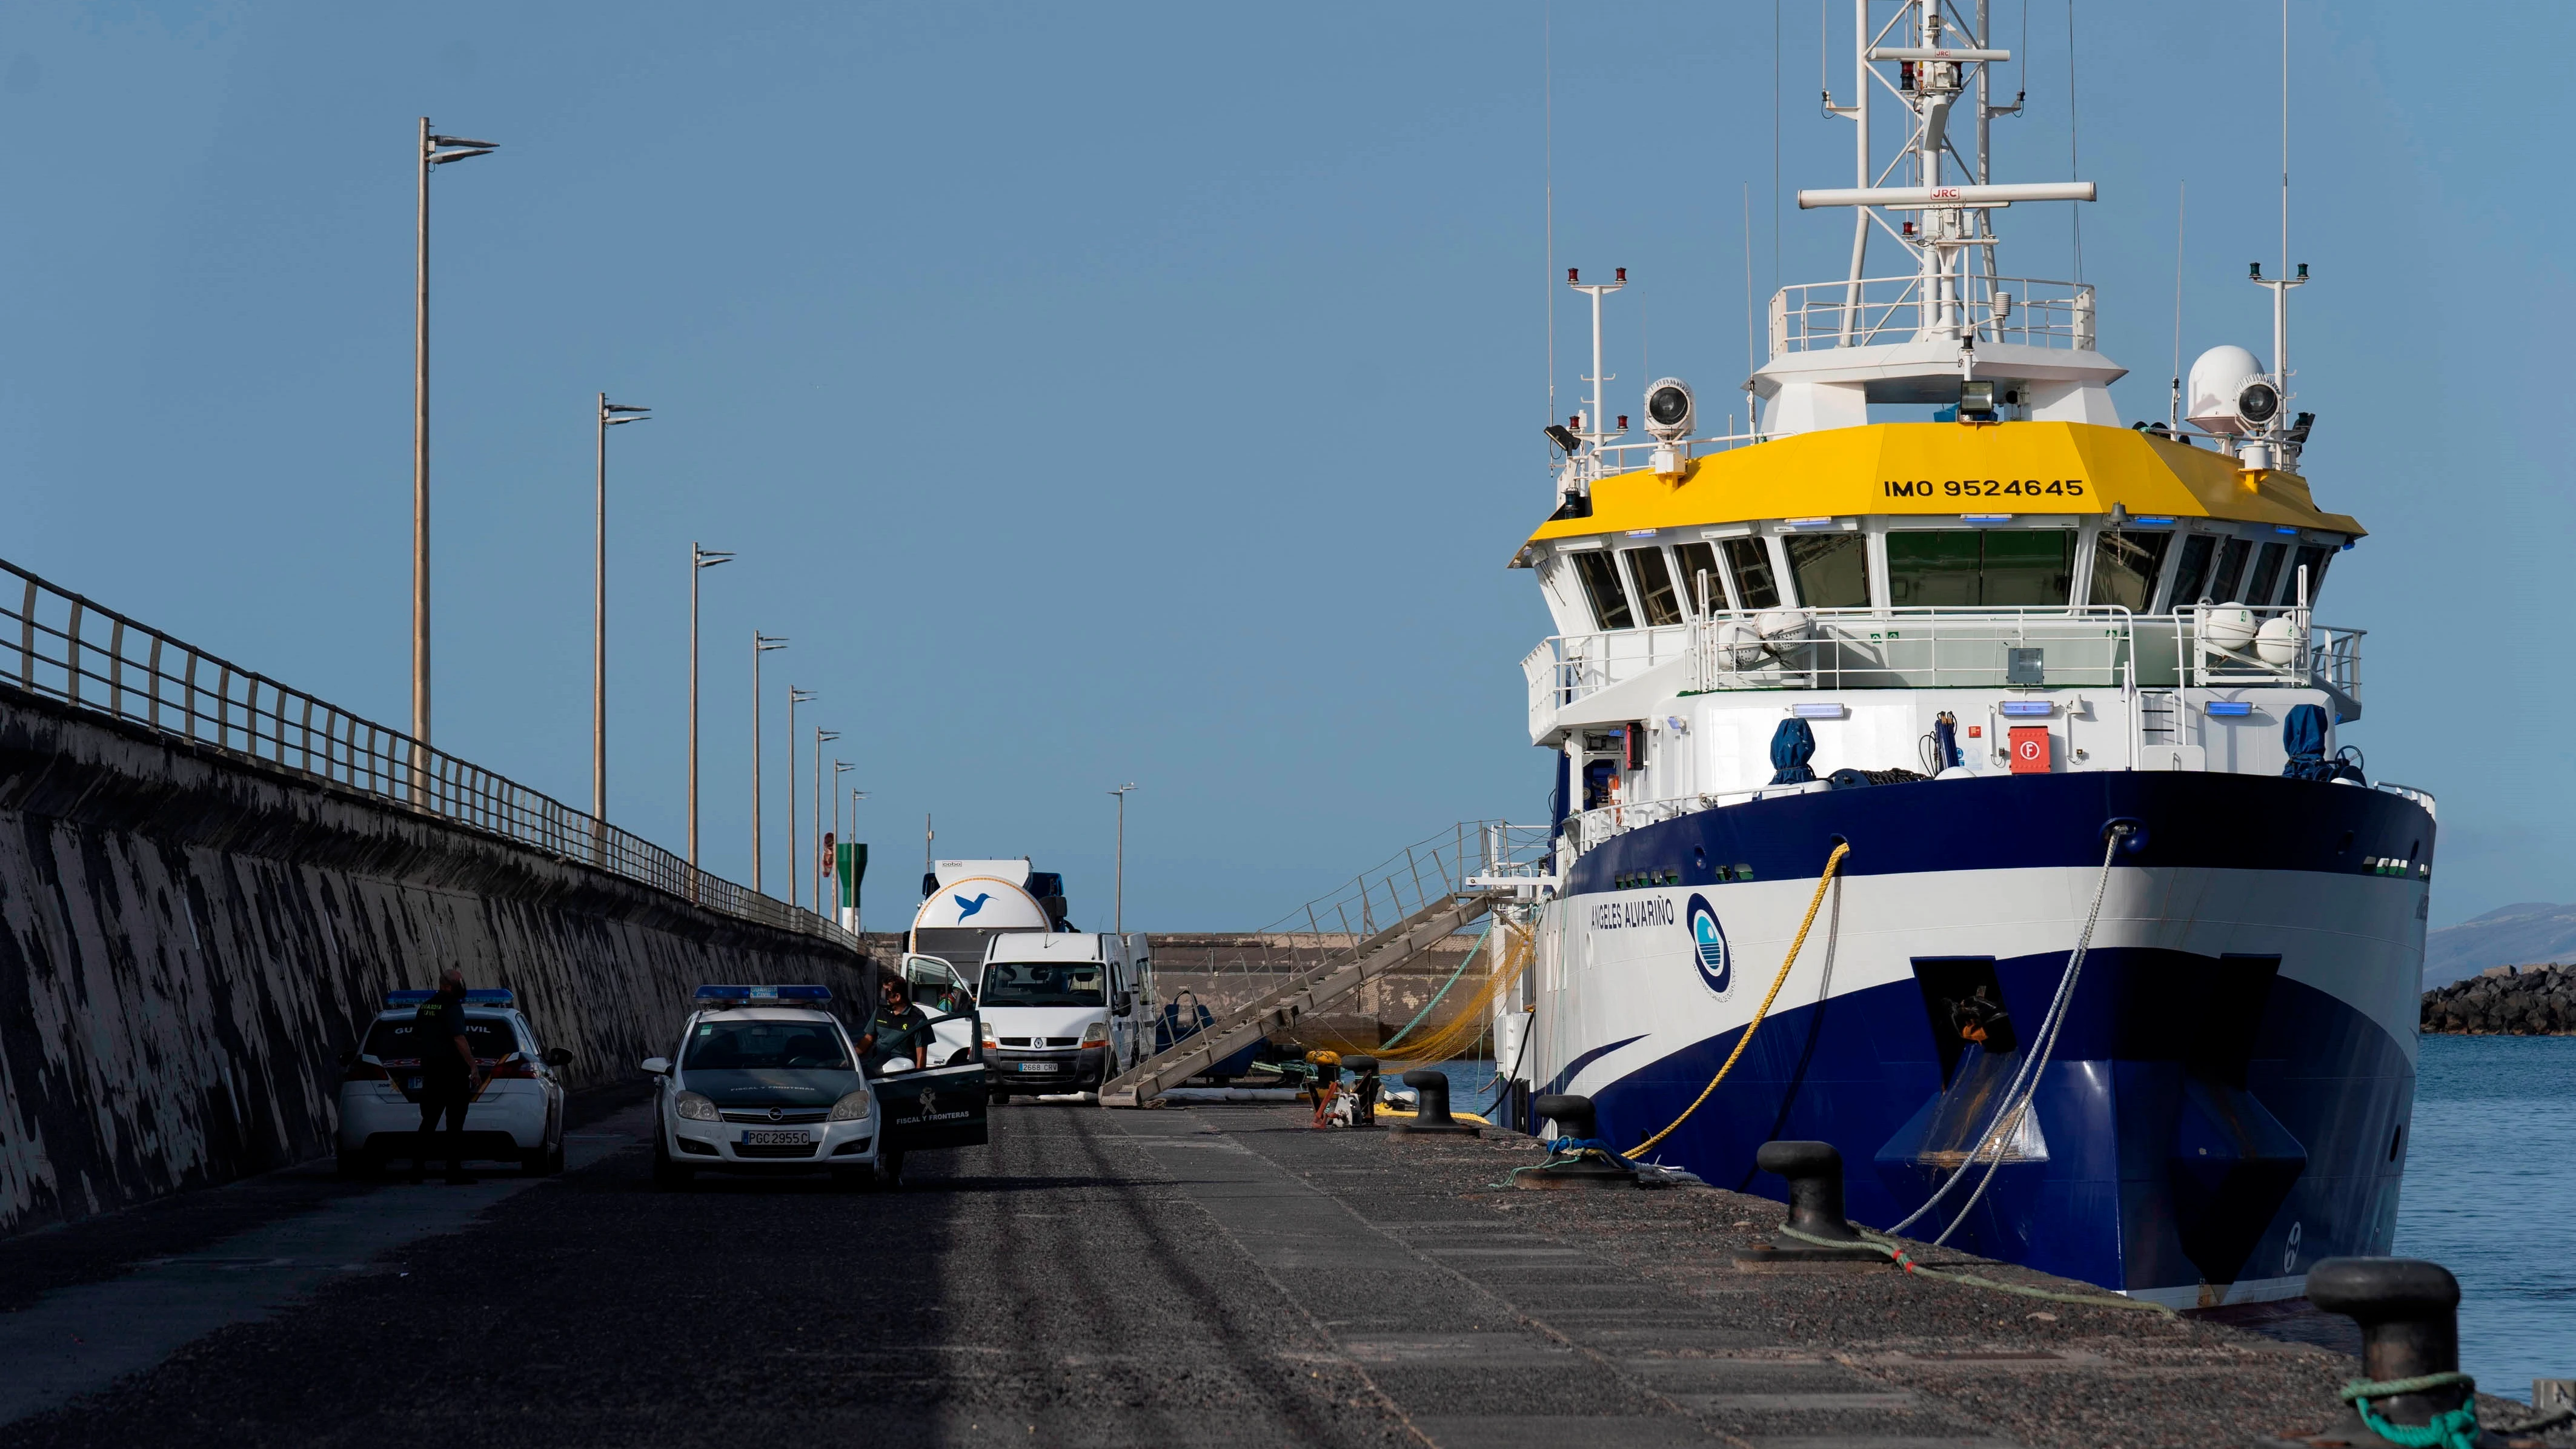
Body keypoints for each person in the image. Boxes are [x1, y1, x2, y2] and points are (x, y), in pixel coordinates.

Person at [412, 967, 482, 1184]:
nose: (463, 988)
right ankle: (453, 1172)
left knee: (429, 1122)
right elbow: (459, 1039)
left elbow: (417, 1036)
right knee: (455, 1124)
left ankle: (417, 1170)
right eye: (460, 984)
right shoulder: (452, 1007)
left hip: (432, 1073)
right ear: (448, 986)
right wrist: (473, 1066)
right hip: (453, 1074)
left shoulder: (426, 1007)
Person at [860, 975, 932, 1073]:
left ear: (897, 997)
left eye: (886, 994)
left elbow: (921, 1056)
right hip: (875, 1070)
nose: (882, 997)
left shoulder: (918, 1019)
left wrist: (918, 1078)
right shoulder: (880, 1011)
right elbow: (868, 1039)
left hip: (902, 1073)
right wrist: (850, 1059)